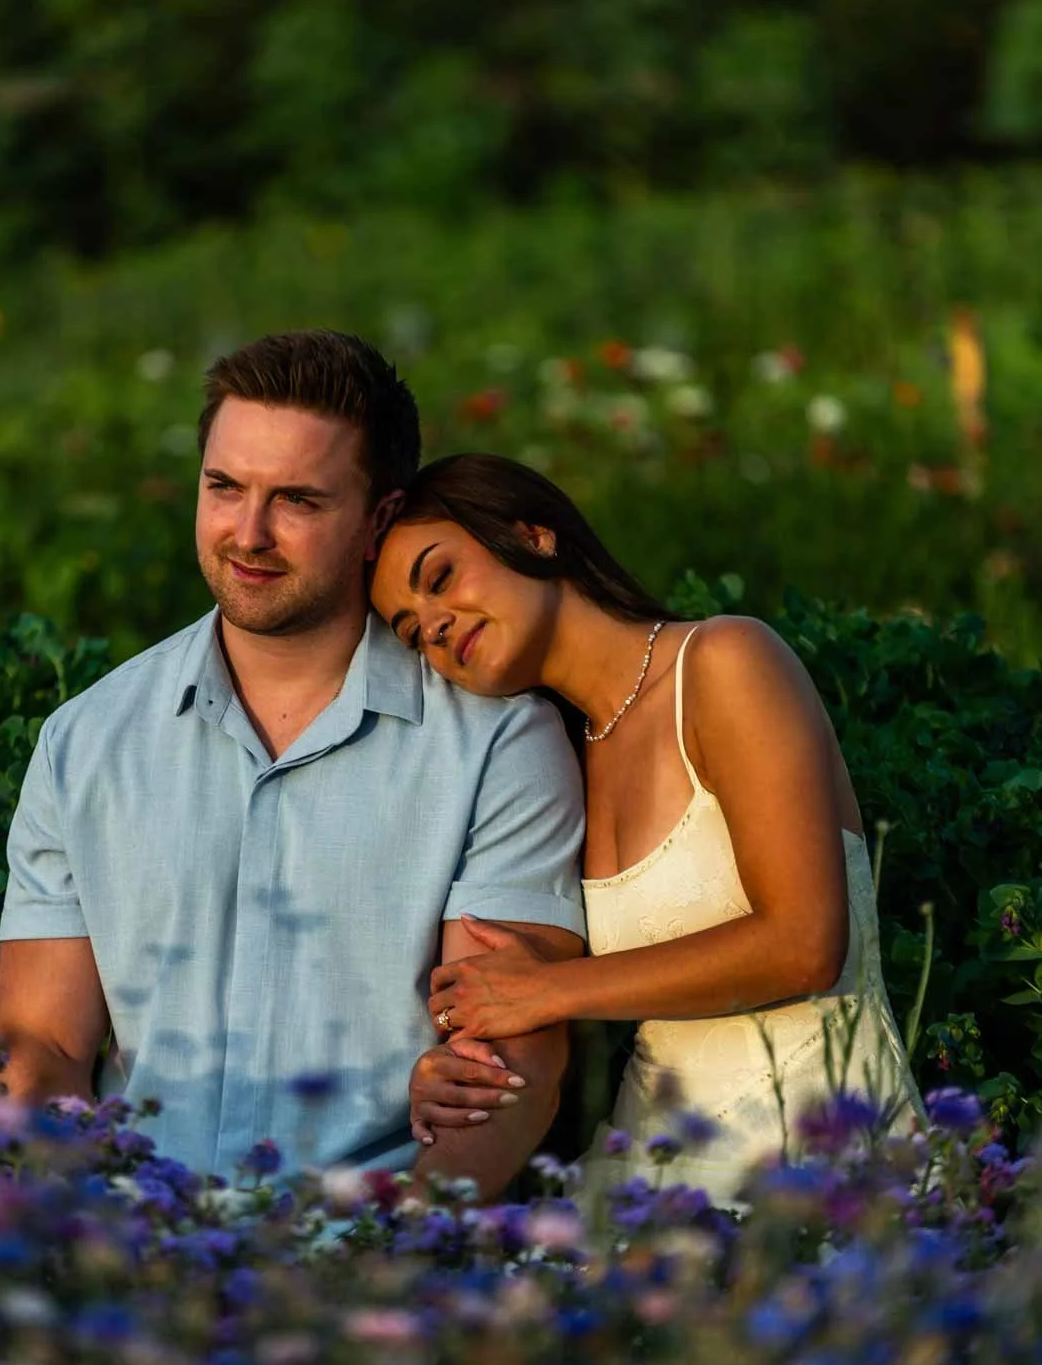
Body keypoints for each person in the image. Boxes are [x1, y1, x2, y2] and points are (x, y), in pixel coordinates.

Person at [0, 333, 586, 1200]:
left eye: (298, 500)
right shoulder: (86, 740)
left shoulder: (495, 743)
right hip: (129, 1240)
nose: (249, 534)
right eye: (224, 487)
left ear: (378, 519)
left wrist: (387, 1262)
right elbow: (39, 1043)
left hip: (368, 1249)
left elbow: (508, 1057)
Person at [370, 453, 925, 1209]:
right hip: (652, 1170)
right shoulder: (559, 762)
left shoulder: (725, 659)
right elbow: (527, 1009)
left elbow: (804, 945)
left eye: (439, 578)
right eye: (409, 633)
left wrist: (548, 991)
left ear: (534, 537)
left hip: (820, 1157)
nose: (431, 625)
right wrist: (453, 1065)